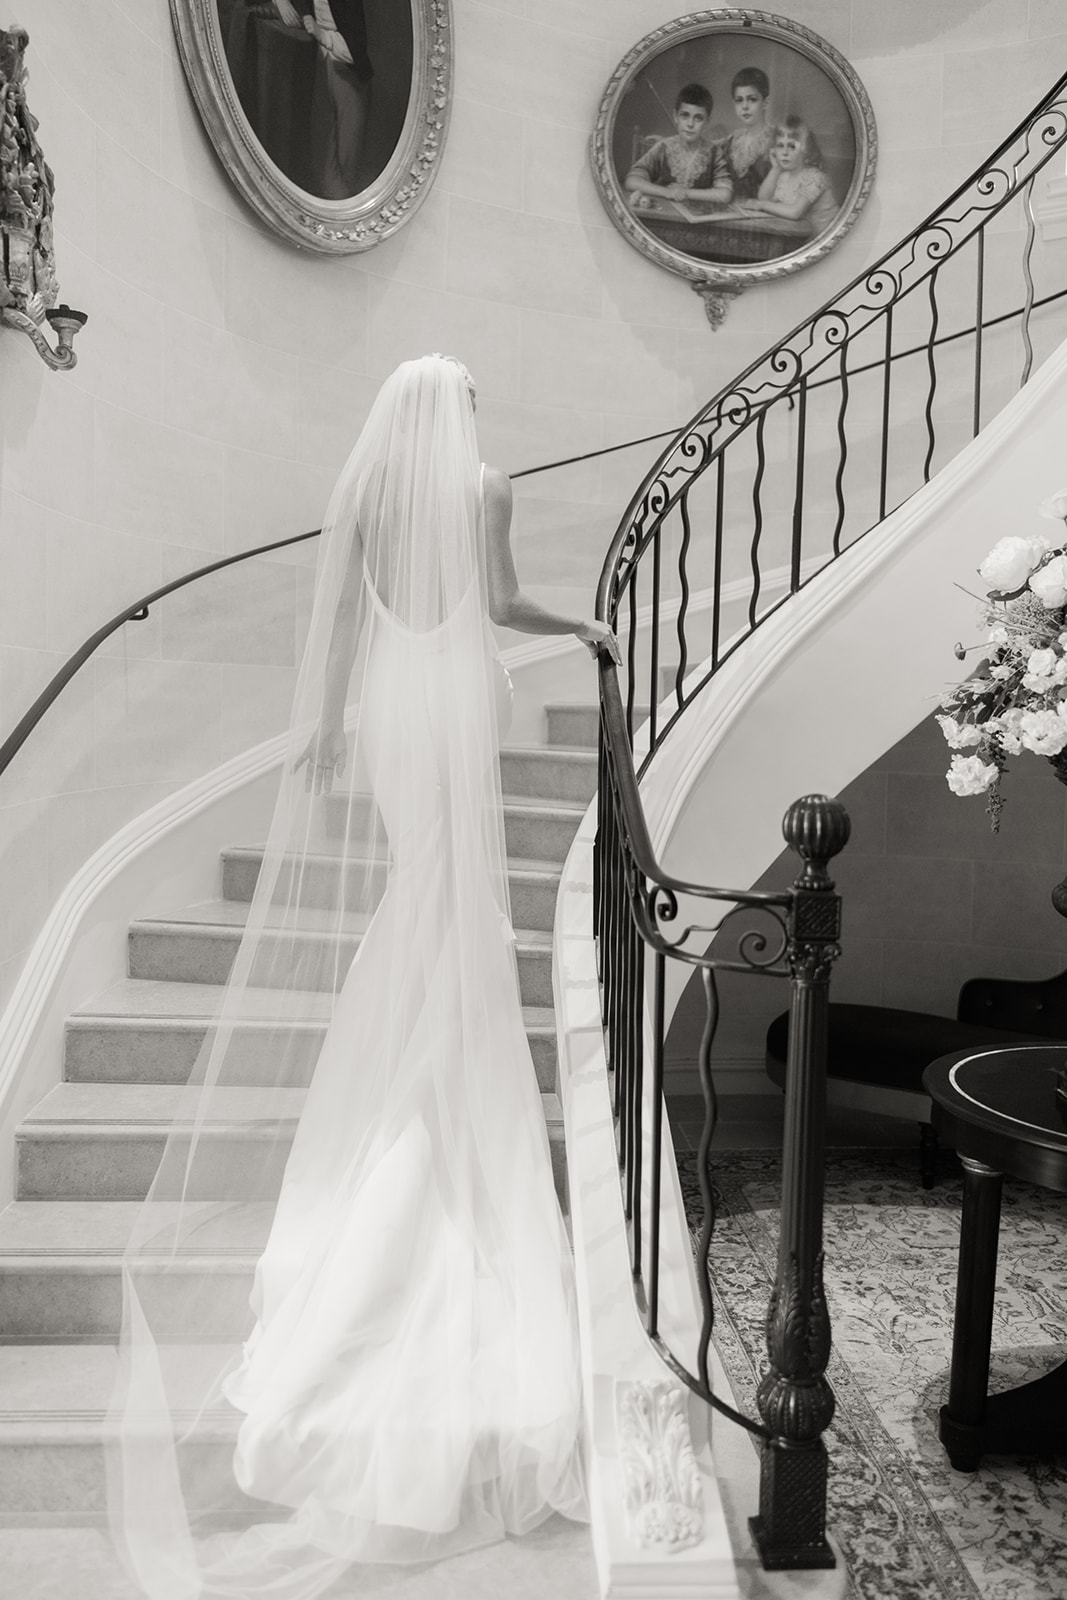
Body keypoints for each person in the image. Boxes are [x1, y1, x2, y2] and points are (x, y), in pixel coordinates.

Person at [108, 355, 617, 1600]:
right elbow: (500, 606)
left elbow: (336, 618)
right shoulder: (482, 484)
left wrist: (327, 720)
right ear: (458, 414)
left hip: (391, 697)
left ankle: (414, 1056)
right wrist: (584, 626)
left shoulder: (366, 490)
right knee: (452, 881)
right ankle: (438, 1066)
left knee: (418, 875)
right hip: (455, 695)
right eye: (474, 400)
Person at [624, 82, 732, 208]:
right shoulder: (664, 147)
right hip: (665, 213)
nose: (690, 124)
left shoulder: (714, 152)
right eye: (685, 116)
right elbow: (631, 181)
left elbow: (725, 195)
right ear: (675, 116)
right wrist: (667, 192)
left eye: (698, 118)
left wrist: (685, 193)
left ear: (708, 121)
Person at [737, 115, 839, 236]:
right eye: (780, 146)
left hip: (826, 236)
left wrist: (761, 205)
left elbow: (795, 212)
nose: (784, 152)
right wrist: (775, 169)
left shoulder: (815, 177)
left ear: (805, 149)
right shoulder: (784, 176)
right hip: (800, 234)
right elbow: (764, 197)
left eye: (791, 146)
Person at [716, 66, 774, 201]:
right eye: (739, 100)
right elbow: (707, 148)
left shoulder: (778, 141)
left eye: (752, 99)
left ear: (765, 102)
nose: (745, 106)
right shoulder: (732, 140)